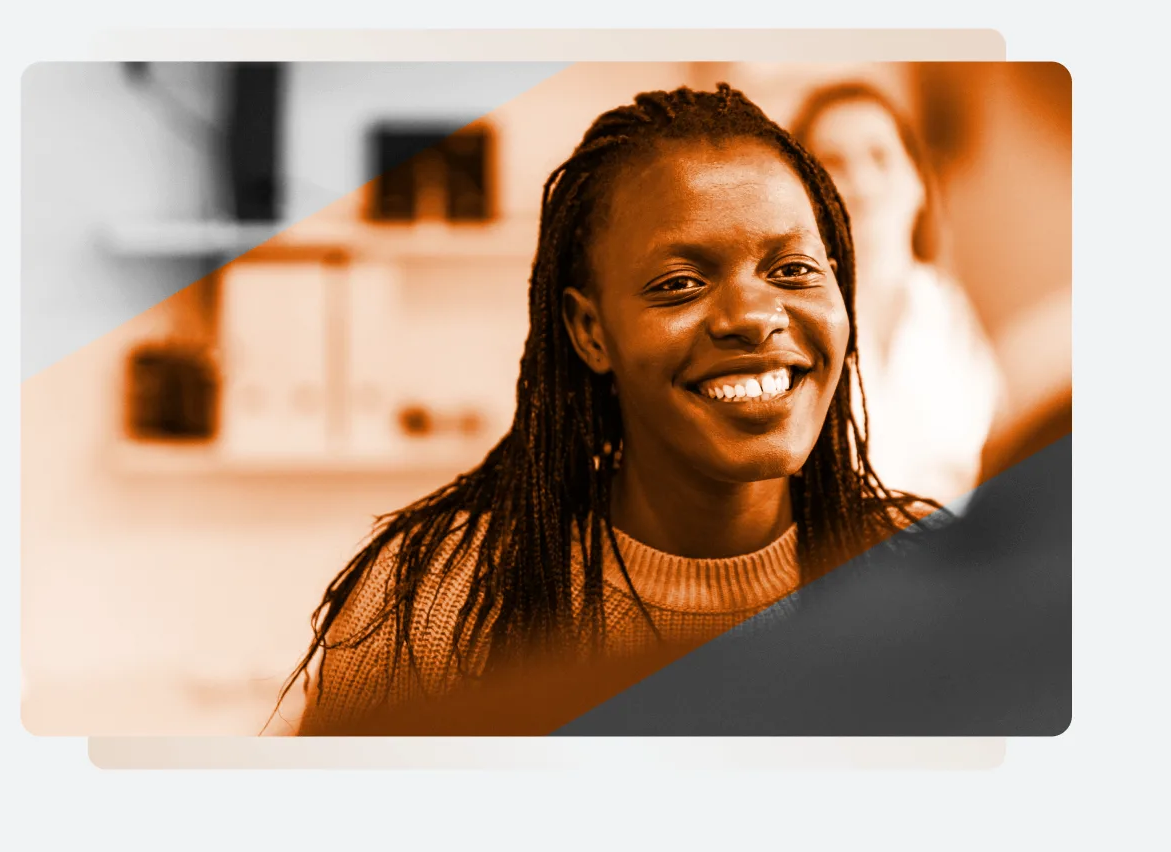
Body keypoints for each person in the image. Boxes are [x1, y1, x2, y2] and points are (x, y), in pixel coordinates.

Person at [275, 84, 942, 736]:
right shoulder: (439, 605)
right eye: (679, 284)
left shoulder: (937, 588)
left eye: (793, 271)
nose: (754, 317)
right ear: (590, 331)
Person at [790, 82, 1002, 507]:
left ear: (919, 181)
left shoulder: (952, 310)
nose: (862, 181)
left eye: (880, 156)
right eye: (834, 162)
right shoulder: (790, 321)